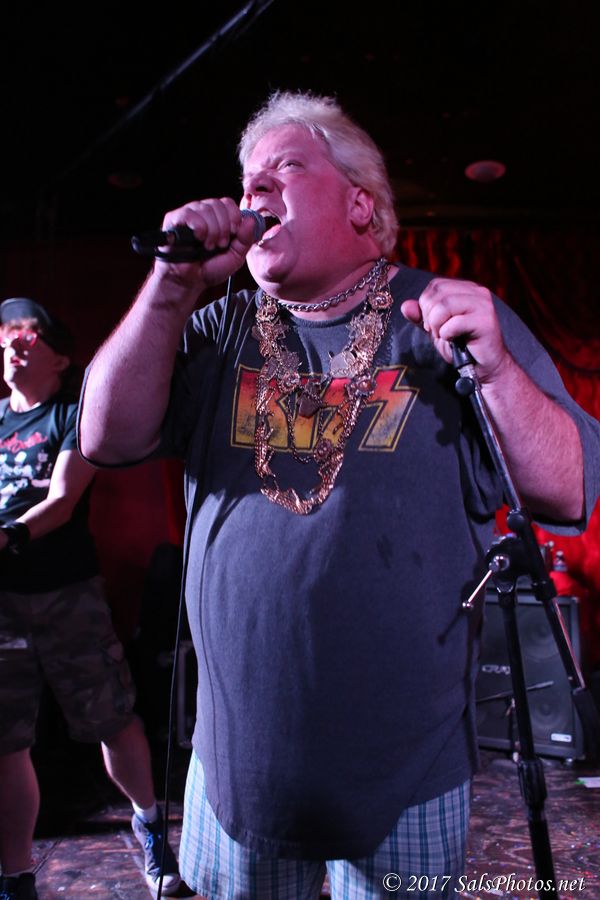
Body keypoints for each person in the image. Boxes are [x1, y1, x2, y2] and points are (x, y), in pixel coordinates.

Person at [77, 92, 600, 899]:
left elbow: (567, 490)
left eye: (284, 168)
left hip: (408, 770)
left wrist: (495, 369)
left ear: (360, 204)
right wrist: (171, 285)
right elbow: (104, 437)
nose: (255, 189)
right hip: (236, 767)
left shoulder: (442, 319)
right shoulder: (218, 328)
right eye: (247, 180)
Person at [0, 298, 180, 900]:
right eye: (7, 335)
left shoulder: (72, 416)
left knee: (110, 719)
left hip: (67, 595)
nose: (13, 344)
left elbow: (61, 502)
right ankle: (16, 874)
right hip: (4, 602)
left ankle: (149, 823)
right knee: (6, 740)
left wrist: (8, 535)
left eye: (29, 336)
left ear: (60, 359)